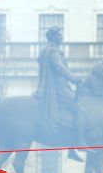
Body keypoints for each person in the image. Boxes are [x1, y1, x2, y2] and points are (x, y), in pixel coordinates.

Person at [33, 26, 86, 161]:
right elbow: (60, 69)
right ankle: (80, 143)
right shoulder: (53, 52)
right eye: (59, 35)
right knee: (79, 110)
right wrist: (74, 79)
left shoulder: (51, 51)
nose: (62, 37)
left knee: (72, 113)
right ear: (53, 37)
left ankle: (71, 150)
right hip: (59, 89)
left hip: (61, 87)